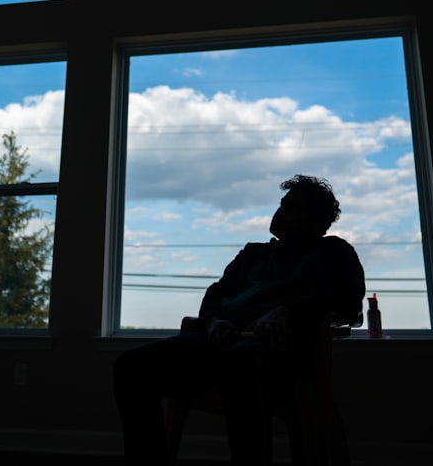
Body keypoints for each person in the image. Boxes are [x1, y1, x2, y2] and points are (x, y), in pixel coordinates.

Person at [113, 175, 366, 465]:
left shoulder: (333, 252)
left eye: (291, 207)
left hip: (279, 348)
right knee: (129, 367)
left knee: (239, 362)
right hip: (219, 341)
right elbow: (215, 294)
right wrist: (211, 323)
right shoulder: (253, 254)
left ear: (314, 221)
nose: (279, 212)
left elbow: (347, 300)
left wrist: (286, 313)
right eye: (281, 204)